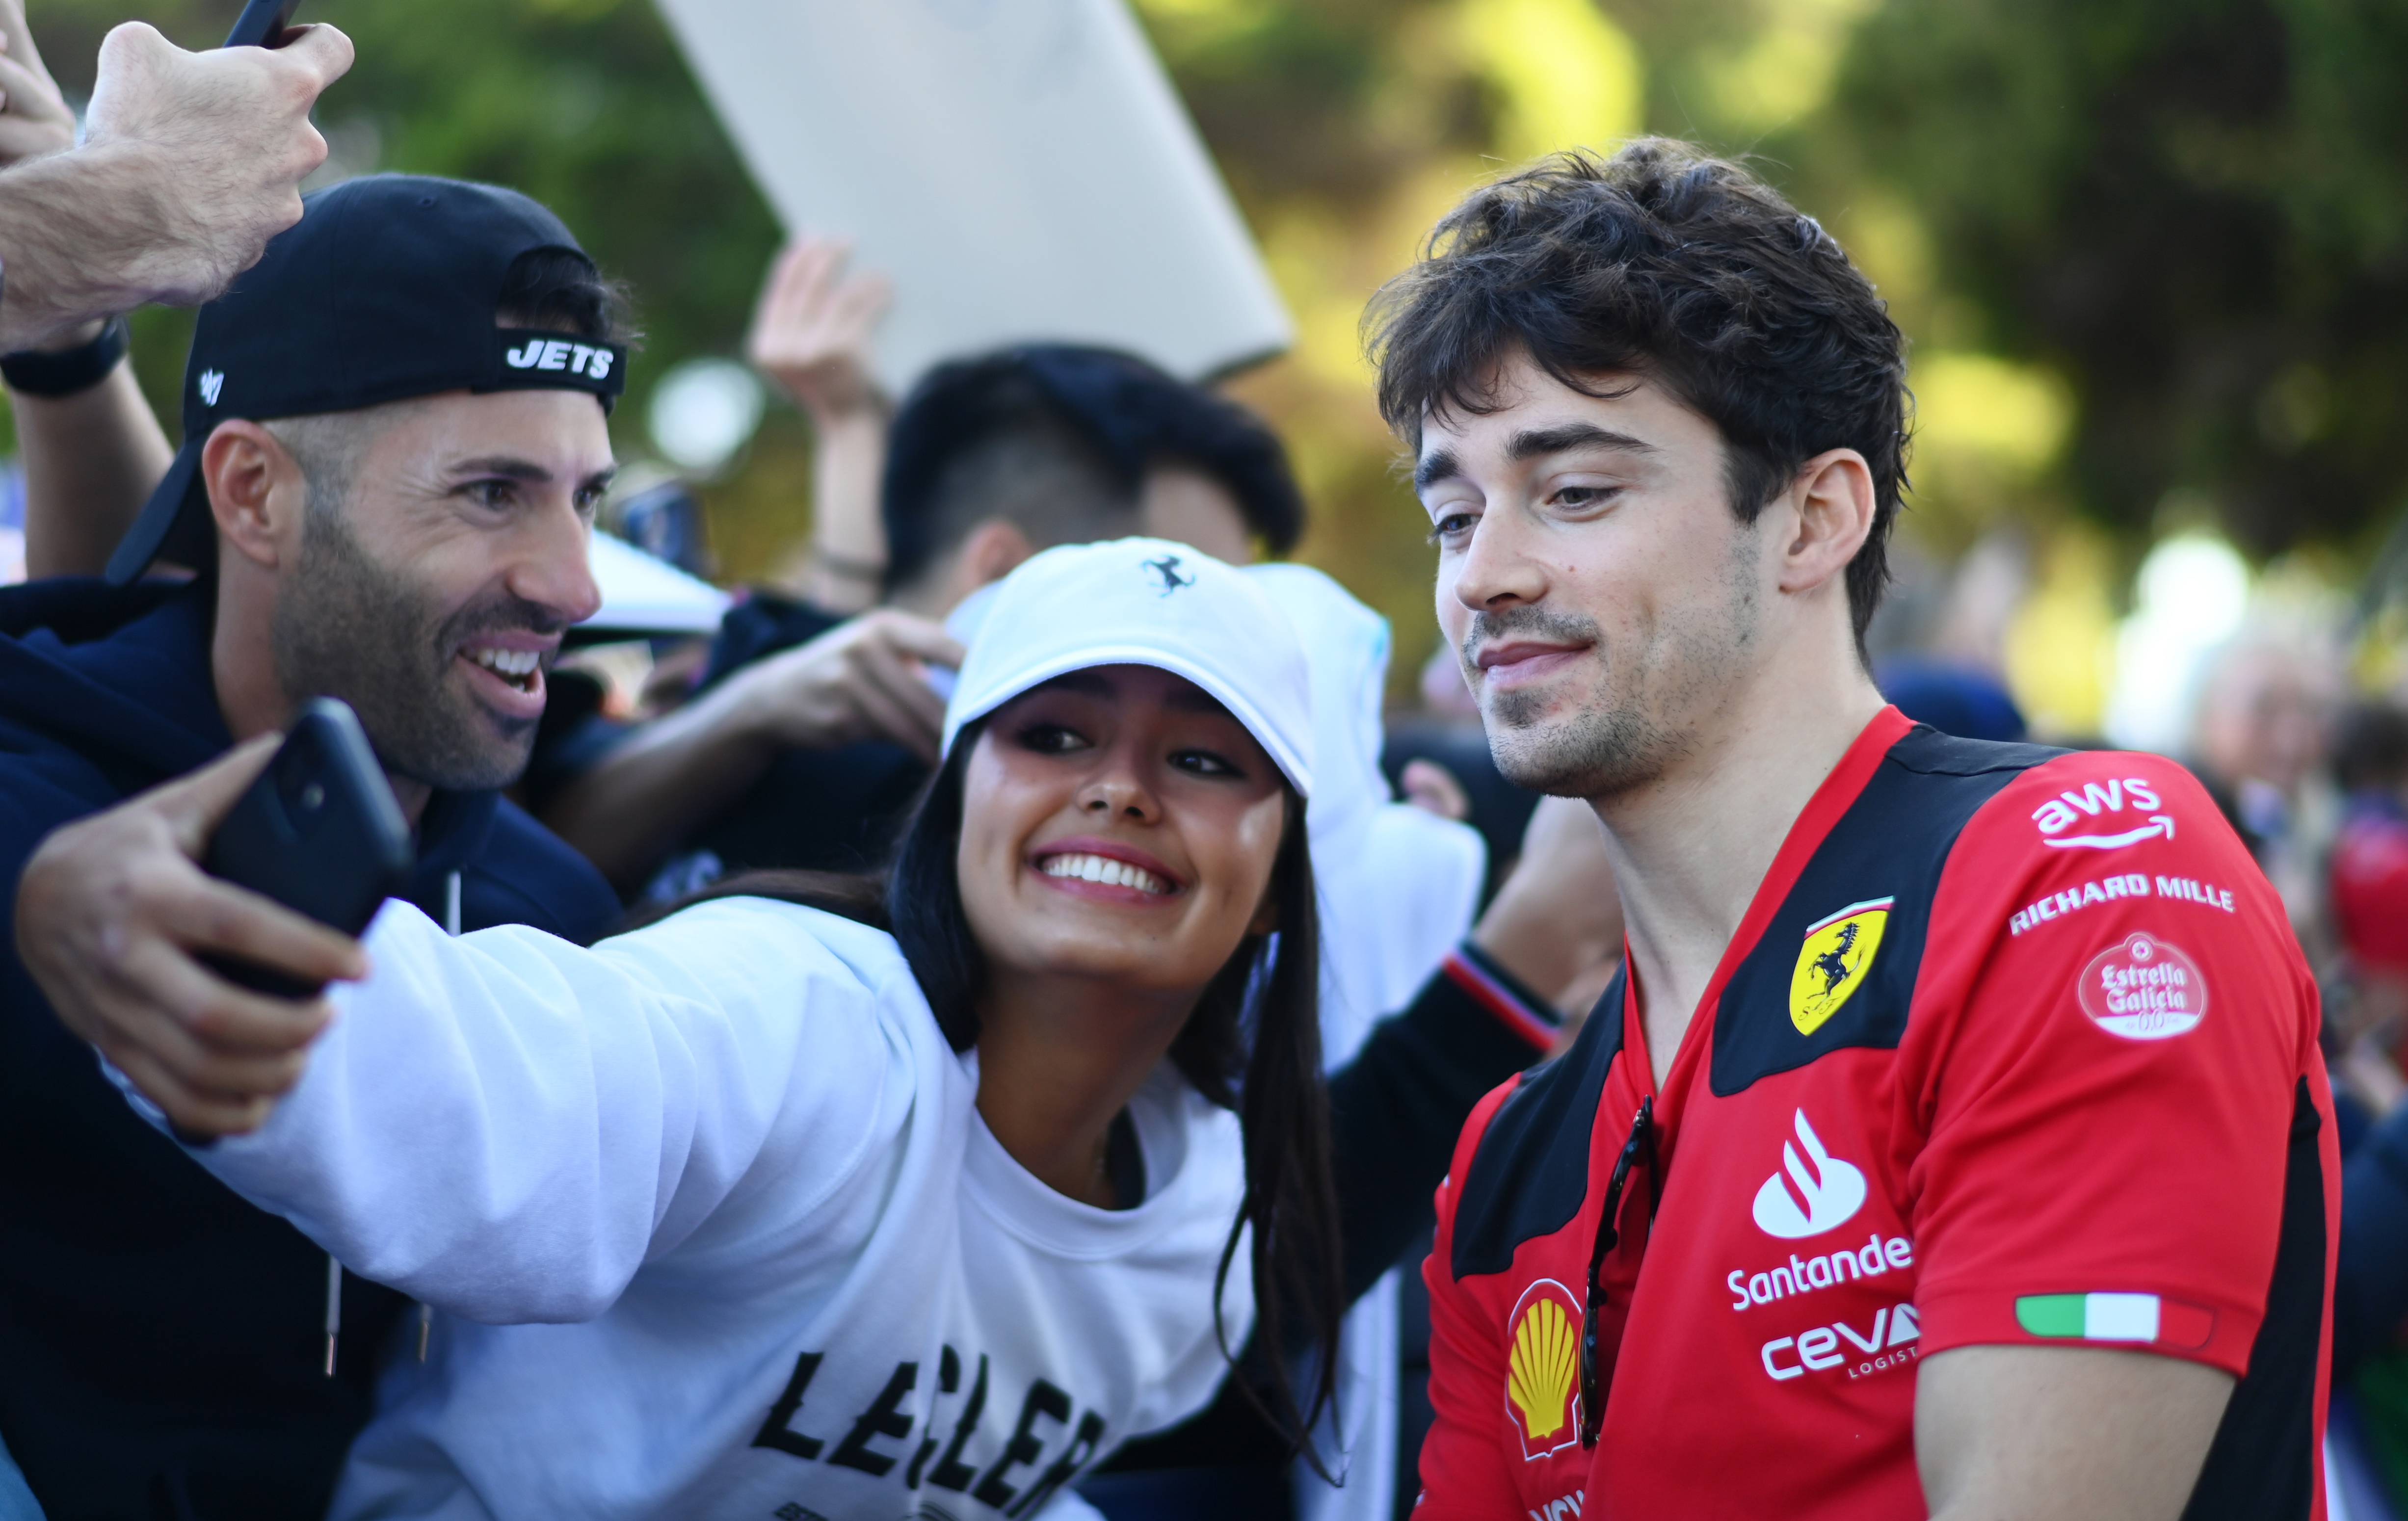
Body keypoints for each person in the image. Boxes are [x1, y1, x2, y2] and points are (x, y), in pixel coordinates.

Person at [1368, 140, 2332, 1518]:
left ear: (1812, 517)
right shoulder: (1508, 1156)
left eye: (1573, 491)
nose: (1486, 575)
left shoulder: (2075, 877)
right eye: (1451, 514)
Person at [24, 539, 1345, 1520]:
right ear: (953, 803)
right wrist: (177, 916)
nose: (1117, 790)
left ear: (1283, 863)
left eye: (1205, 760)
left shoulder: (1205, 1207)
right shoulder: (800, 1015)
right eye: (1054, 734)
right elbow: (520, 1077)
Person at [0, 175, 626, 1518]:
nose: (575, 583)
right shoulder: (31, 791)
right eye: (493, 492)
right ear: (254, 494)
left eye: (586, 498)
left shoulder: (551, 916)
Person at [543, 335, 1308, 893]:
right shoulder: (751, 683)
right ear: (1008, 575)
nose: (1212, 645)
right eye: (1168, 585)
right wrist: (744, 717)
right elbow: (511, 866)